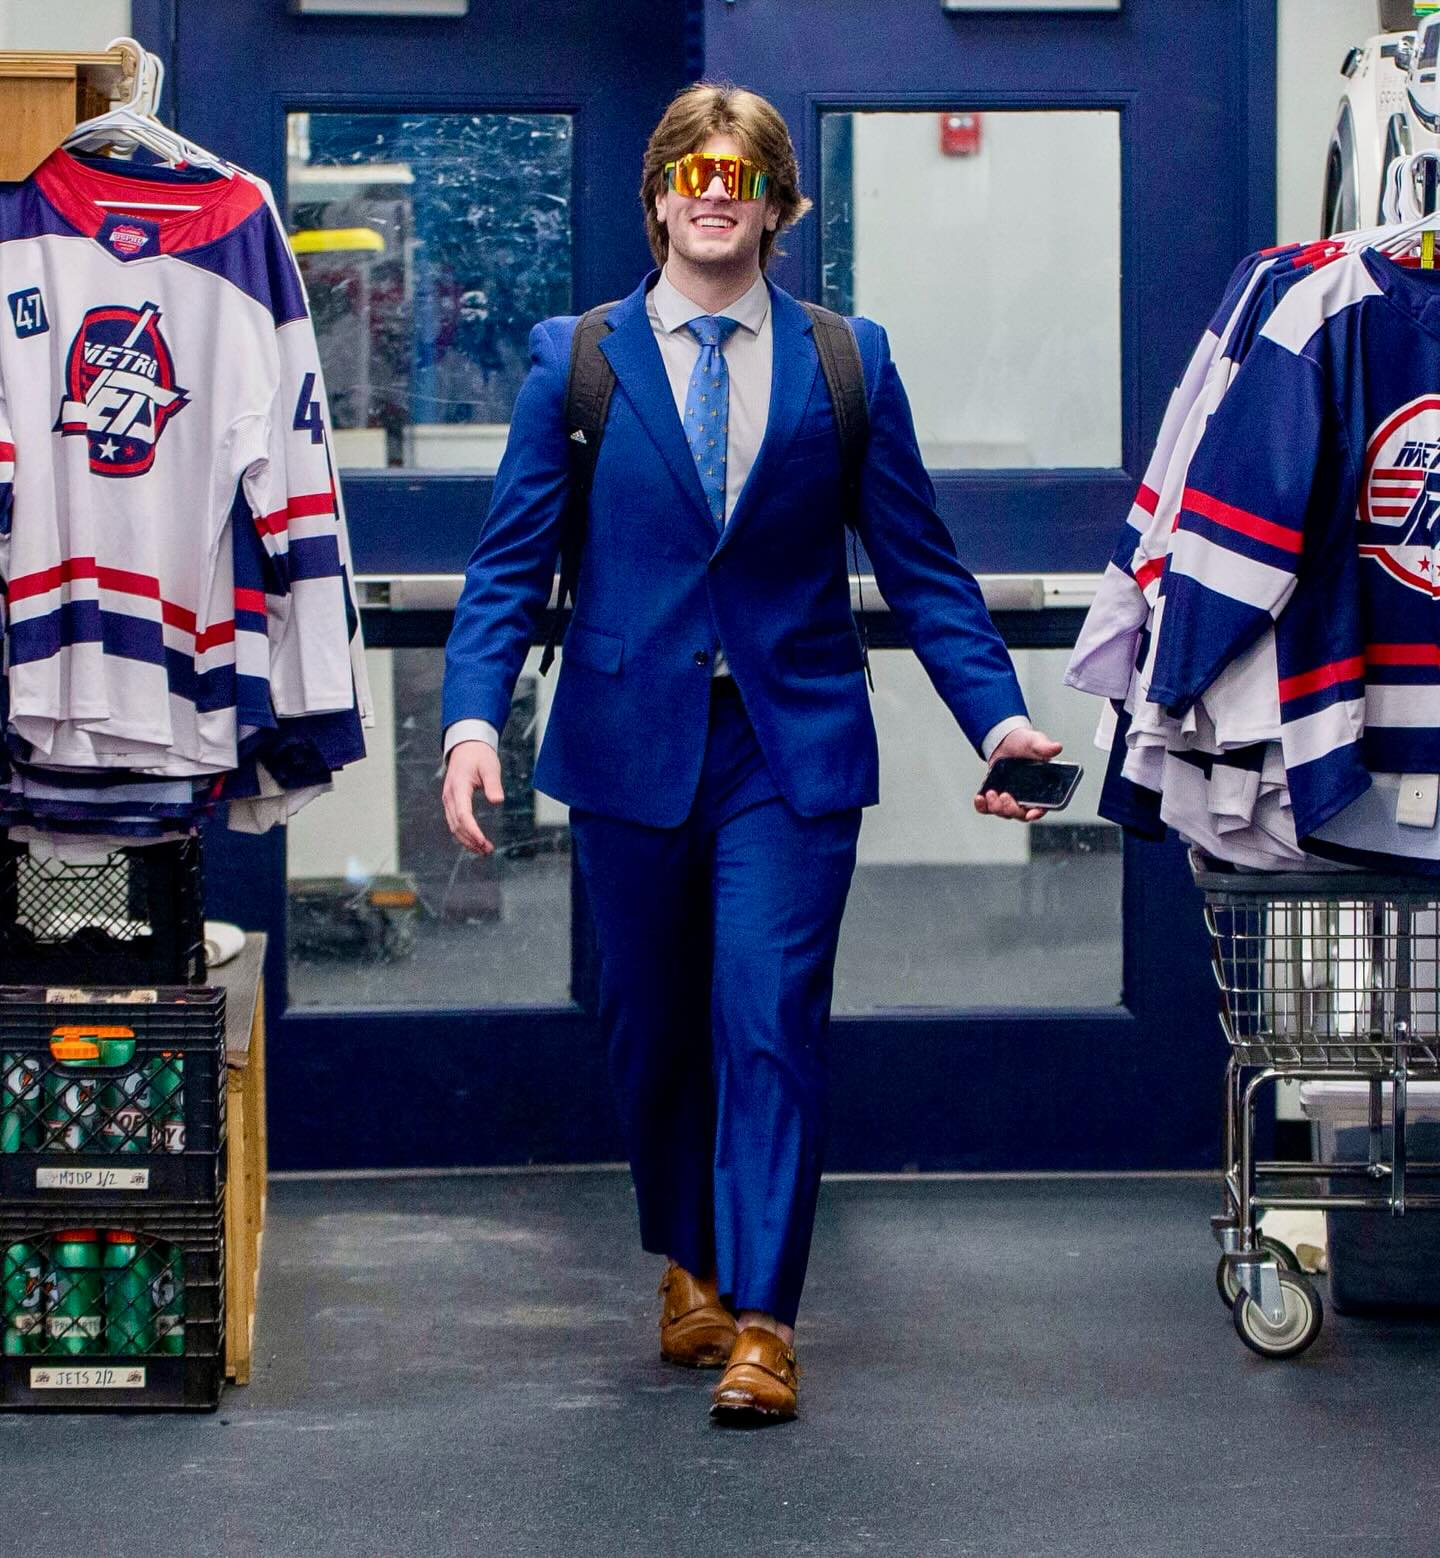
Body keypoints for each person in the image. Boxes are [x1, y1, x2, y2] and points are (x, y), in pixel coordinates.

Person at [441, 82, 1060, 1425]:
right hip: (627, 745)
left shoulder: (851, 362)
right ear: (661, 196)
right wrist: (474, 718)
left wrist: (999, 716)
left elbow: (926, 571)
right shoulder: (580, 359)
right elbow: (506, 566)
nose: (714, 190)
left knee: (767, 1020)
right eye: (690, 170)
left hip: (789, 748)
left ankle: (767, 1320)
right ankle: (689, 1258)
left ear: (781, 204)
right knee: (652, 1032)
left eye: (742, 173)